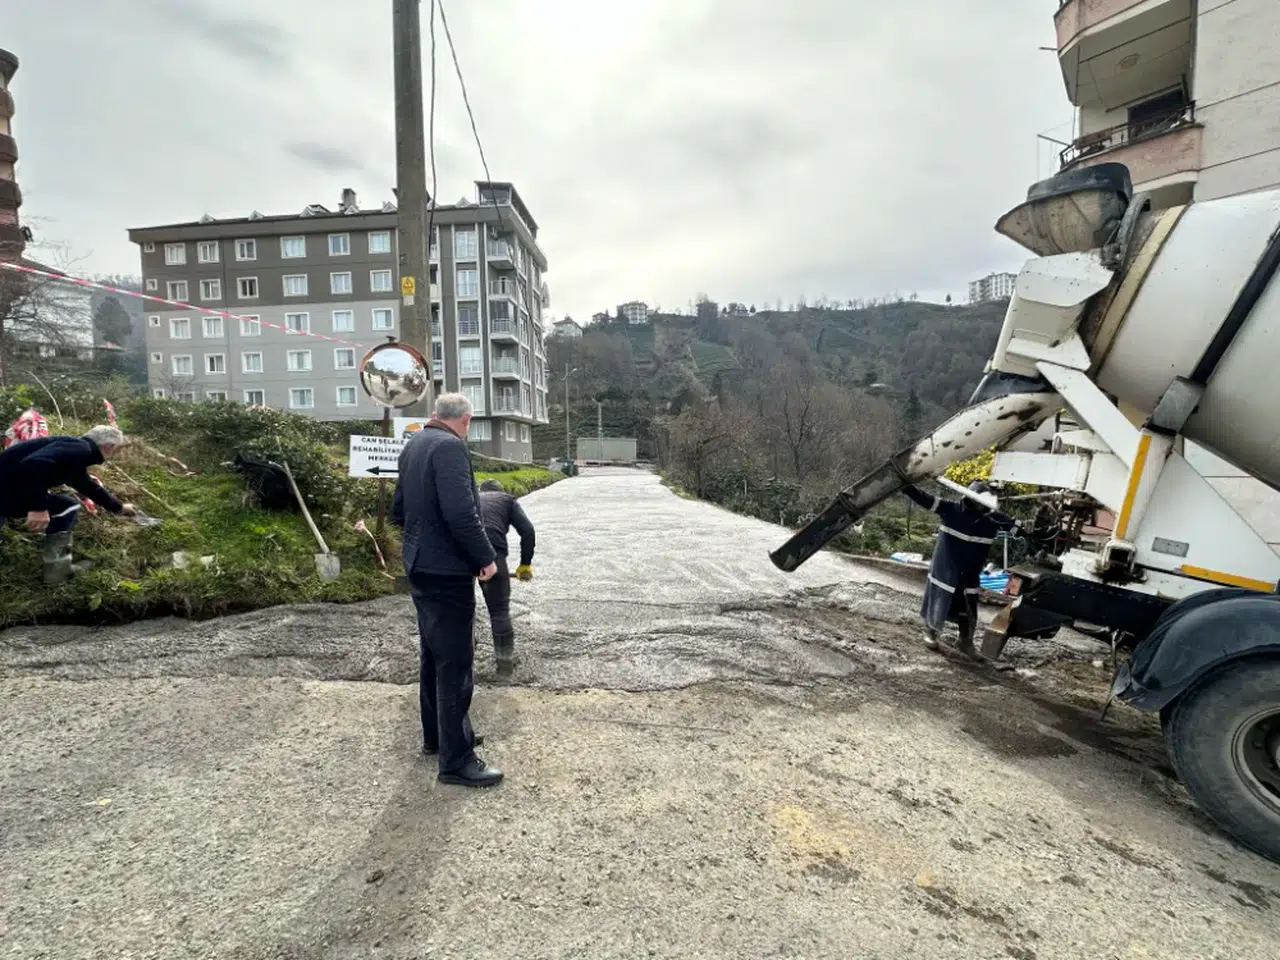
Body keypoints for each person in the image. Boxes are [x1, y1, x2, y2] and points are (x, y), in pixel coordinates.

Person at [391, 393, 503, 788]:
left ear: (435, 415)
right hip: (447, 570)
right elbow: (462, 513)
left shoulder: (415, 445)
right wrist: (485, 558)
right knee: (456, 663)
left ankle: (439, 738)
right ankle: (457, 762)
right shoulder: (451, 448)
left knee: (432, 655)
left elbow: (398, 510)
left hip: (419, 565)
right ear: (466, 420)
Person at [0, 425, 136, 584]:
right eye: (115, 450)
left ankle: (57, 571)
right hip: (5, 492)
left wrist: (119, 508)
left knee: (64, 504)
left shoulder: (73, 454)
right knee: (67, 506)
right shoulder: (80, 448)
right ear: (108, 446)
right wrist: (38, 507)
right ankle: (57, 572)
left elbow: (89, 487)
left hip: (6, 492)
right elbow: (34, 465)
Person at [902, 480, 1018, 658]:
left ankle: (965, 641)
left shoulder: (993, 520)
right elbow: (925, 499)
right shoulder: (951, 509)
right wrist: (906, 486)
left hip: (970, 573)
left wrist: (1037, 528)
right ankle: (930, 632)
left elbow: (1017, 528)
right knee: (939, 602)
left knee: (968, 607)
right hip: (945, 571)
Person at [477, 478, 536, 674]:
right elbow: (527, 531)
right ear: (500, 490)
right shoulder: (507, 500)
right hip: (493, 552)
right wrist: (525, 564)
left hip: (457, 553)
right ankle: (504, 665)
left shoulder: (469, 497)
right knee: (499, 611)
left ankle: (464, 656)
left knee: (461, 608)